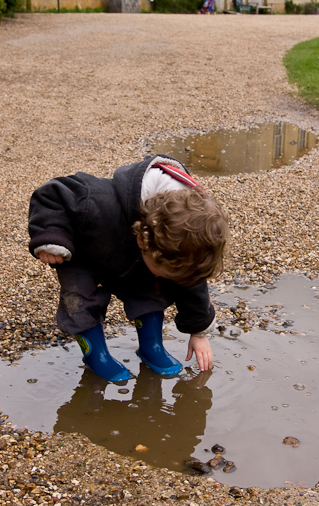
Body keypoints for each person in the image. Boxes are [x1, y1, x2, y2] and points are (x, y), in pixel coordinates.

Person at [28, 155, 229, 382]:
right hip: (84, 254)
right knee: (79, 302)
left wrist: (198, 331)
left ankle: (151, 347)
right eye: (163, 270)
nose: (164, 276)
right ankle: (97, 356)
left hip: (132, 261)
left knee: (152, 290)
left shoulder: (182, 243)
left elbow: (192, 283)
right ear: (143, 240)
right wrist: (50, 235)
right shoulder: (95, 199)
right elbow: (52, 195)